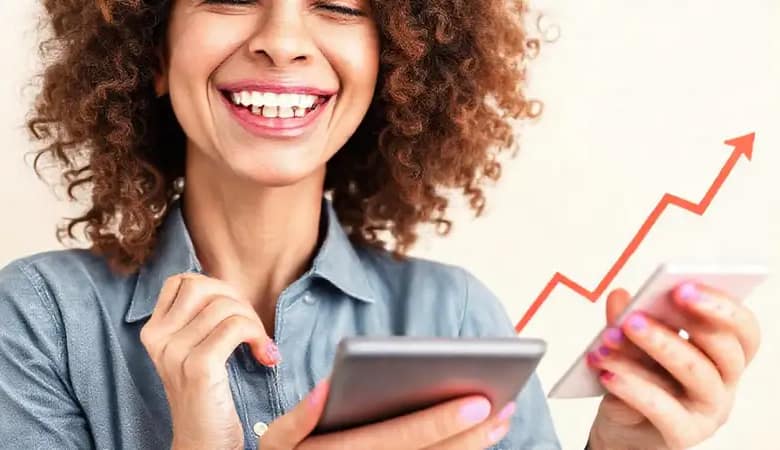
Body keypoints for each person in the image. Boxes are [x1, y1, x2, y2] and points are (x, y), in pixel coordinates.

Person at [0, 0, 761, 449]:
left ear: (393, 60)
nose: (282, 40)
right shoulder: (42, 320)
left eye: (338, 3)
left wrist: (621, 447)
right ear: (153, 53)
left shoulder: (454, 315)